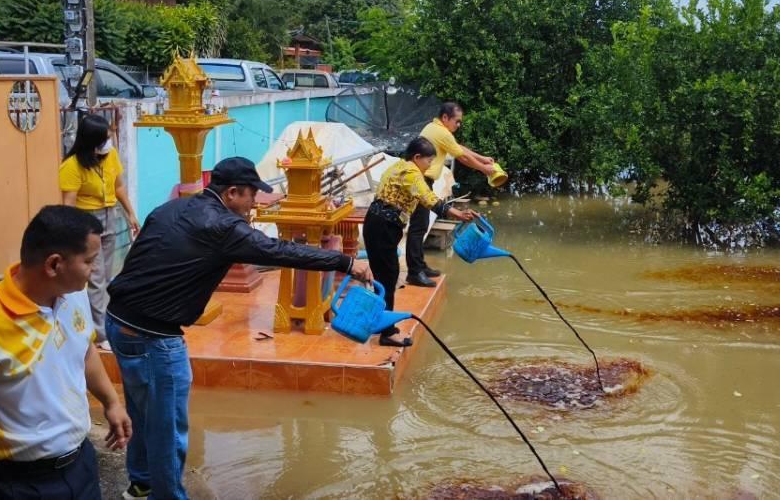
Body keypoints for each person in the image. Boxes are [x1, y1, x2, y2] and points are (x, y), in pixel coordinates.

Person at [105, 157, 372, 500]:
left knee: (144, 413)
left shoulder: (171, 208)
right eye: (250, 196)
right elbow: (279, 251)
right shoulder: (225, 227)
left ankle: (141, 484)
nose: (253, 205)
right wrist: (345, 261)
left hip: (119, 322)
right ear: (232, 193)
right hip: (154, 337)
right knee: (169, 429)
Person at [0, 206, 131, 500]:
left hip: (79, 465)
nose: (96, 270)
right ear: (54, 265)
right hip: (13, 485)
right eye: (90, 261)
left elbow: (83, 351)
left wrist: (111, 402)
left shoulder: (73, 294)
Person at [365, 137, 478, 347]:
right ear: (417, 157)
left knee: (383, 277)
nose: (429, 166)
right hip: (384, 227)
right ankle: (387, 333)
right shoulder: (411, 172)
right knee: (388, 278)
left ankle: (380, 322)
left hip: (377, 223)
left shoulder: (398, 166)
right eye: (428, 161)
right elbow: (429, 199)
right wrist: (458, 214)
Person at [59, 114, 140, 346]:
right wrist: (71, 234)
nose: (109, 142)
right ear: (90, 141)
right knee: (96, 278)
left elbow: (119, 186)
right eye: (104, 139)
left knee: (105, 276)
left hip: (109, 216)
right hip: (87, 222)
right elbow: (69, 203)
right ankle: (102, 334)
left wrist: (130, 214)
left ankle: (103, 322)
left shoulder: (111, 156)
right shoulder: (72, 166)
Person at [407, 102, 497, 286]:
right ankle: (415, 273)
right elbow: (461, 156)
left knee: (421, 225)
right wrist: (485, 169)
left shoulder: (437, 130)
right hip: (420, 182)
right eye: (457, 121)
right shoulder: (440, 132)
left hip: (422, 180)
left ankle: (420, 266)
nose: (459, 125)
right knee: (418, 228)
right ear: (445, 118)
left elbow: (459, 148)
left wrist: (481, 159)